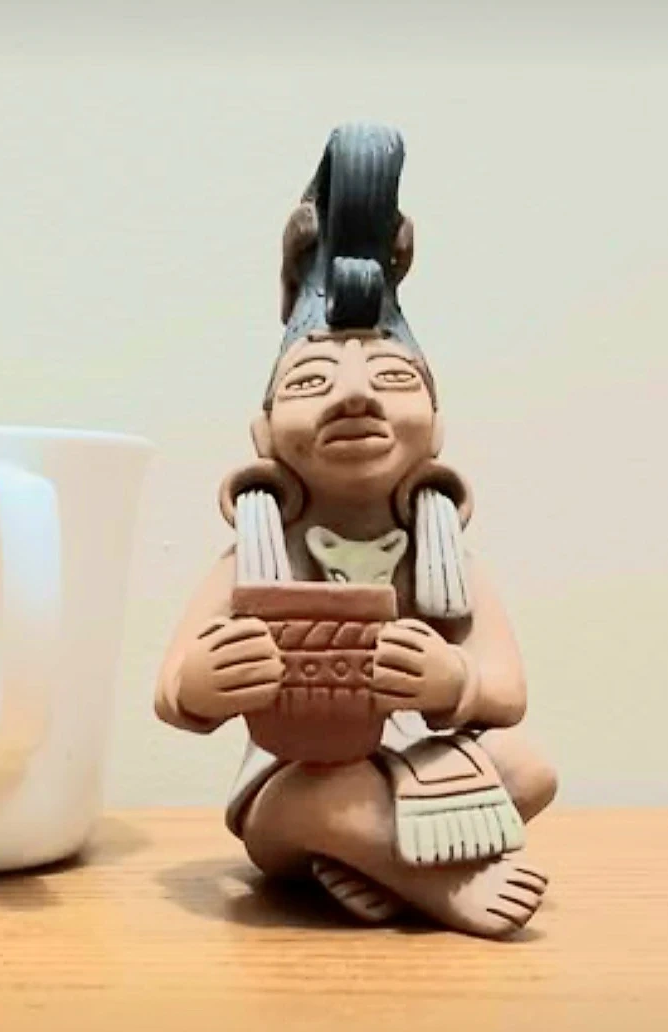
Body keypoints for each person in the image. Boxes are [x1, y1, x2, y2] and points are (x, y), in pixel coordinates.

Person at [155, 124, 557, 937]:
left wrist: (451, 682)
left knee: (529, 770)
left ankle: (361, 855)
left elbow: (506, 692)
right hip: (294, 782)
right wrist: (204, 680)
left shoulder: (449, 560)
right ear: (265, 434)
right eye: (311, 381)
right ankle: (431, 879)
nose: (355, 398)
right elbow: (171, 691)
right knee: (321, 796)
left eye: (391, 378)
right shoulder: (258, 555)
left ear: (433, 427)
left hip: (414, 761)